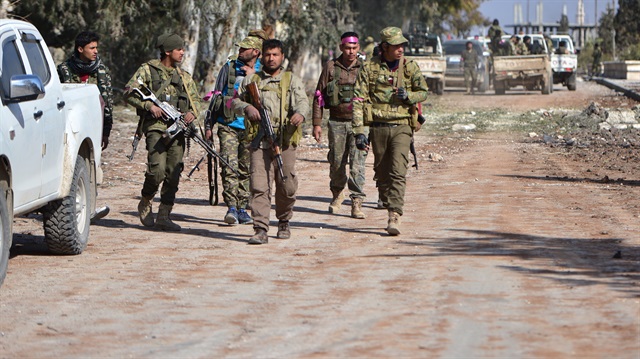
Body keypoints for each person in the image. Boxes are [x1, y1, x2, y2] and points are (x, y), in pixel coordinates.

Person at [352, 27, 428, 236]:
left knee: (398, 171)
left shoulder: (410, 67)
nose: (401, 49)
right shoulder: (369, 68)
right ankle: (386, 198)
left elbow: (423, 92)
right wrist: (359, 131)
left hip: (402, 126)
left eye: (402, 45)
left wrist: (409, 96)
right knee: (382, 173)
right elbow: (358, 100)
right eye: (396, 45)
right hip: (378, 127)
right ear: (384, 47)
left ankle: (394, 214)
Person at [232, 39, 309, 244]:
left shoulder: (291, 80)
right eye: (267, 54)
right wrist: (246, 108)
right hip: (260, 143)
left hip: (284, 141)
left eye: (275, 54)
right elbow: (235, 101)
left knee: (286, 184)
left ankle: (283, 220)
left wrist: (300, 114)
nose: (271, 58)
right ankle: (260, 228)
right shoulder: (251, 80)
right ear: (262, 56)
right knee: (259, 185)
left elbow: (303, 102)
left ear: (282, 56)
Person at [124, 33, 201, 231]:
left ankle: (164, 215)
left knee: (174, 172)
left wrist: (192, 113)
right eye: (179, 49)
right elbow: (129, 92)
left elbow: (196, 100)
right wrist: (149, 106)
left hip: (178, 130)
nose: (182, 52)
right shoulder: (148, 70)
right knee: (157, 170)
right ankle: (146, 200)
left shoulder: (183, 77)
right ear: (168, 51)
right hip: (156, 128)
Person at [205, 31, 264, 226]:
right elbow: (217, 97)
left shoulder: (262, 71)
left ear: (255, 51)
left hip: (250, 128)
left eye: (244, 48)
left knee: (246, 169)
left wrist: (254, 76)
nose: (240, 51)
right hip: (228, 124)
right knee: (229, 166)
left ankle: (242, 208)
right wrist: (208, 125)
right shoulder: (229, 68)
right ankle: (231, 207)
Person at [57, 30, 112, 223]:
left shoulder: (101, 70)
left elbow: (107, 102)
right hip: (71, 128)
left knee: (93, 166)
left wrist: (106, 132)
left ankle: (90, 207)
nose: (96, 51)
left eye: (97, 47)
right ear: (80, 49)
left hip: (95, 127)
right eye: (92, 48)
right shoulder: (64, 70)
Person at [312, 32, 367, 219]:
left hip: (359, 124)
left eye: (354, 48)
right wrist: (316, 123)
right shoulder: (330, 67)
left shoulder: (364, 68)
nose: (351, 52)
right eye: (347, 48)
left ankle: (357, 201)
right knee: (336, 162)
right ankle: (337, 195)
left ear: (358, 48)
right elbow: (318, 96)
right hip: (336, 122)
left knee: (358, 163)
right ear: (341, 47)